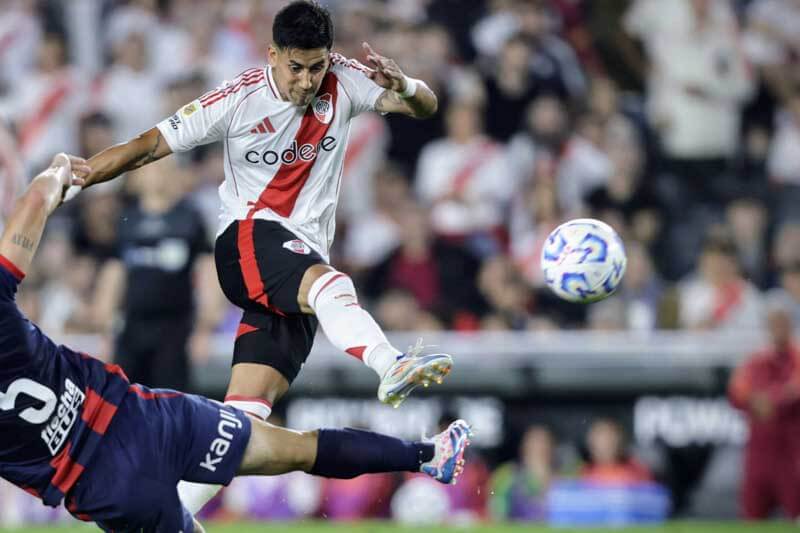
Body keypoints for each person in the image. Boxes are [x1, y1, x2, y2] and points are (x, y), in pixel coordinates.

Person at [69, 0, 452, 513]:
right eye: (296, 67)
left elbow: (425, 106)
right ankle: (390, 364)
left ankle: (160, 520)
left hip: (292, 271)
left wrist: (403, 84)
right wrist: (84, 174)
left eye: (317, 66)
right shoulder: (239, 97)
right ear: (272, 54)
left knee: (240, 433)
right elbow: (150, 144)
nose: (307, 80)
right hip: (248, 240)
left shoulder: (347, 80)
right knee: (331, 284)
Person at [0, 152, 472, 532]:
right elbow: (28, 214)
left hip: (109, 486)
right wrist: (53, 175)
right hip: (151, 420)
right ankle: (427, 455)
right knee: (298, 450)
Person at [92, 158, 215, 391]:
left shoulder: (189, 218)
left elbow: (207, 272)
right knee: (125, 398)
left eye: (161, 167)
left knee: (170, 402)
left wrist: (204, 328)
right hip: (132, 328)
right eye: (149, 168)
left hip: (175, 329)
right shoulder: (126, 220)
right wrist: (104, 329)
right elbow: (114, 274)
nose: (155, 174)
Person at [728, 292, 800, 520]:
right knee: (752, 516)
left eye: (782, 321)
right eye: (773, 322)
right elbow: (736, 391)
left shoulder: (797, 357)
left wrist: (770, 400)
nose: (778, 327)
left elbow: (795, 390)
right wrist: (757, 401)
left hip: (792, 453)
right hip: (758, 453)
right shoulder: (755, 361)